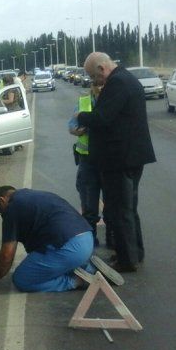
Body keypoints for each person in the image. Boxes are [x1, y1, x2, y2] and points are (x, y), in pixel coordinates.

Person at [76, 52, 156, 272]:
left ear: (102, 68)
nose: (95, 82)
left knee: (120, 211)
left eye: (94, 76)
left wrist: (82, 117)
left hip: (120, 159)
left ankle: (127, 260)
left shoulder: (117, 83)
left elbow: (103, 118)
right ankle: (133, 253)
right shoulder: (128, 79)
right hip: (131, 157)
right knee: (129, 209)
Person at [0, 186, 121, 292]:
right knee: (46, 258)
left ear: (2, 200)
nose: (2, 215)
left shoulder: (12, 208)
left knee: (21, 279)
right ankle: (89, 269)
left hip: (69, 248)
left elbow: (7, 255)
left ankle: (76, 281)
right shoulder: (36, 196)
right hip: (86, 239)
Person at [69, 84, 104, 247]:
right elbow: (71, 126)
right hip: (87, 160)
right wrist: (80, 130)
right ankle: (91, 239)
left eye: (103, 84)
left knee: (111, 203)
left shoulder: (111, 100)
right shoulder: (83, 102)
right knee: (89, 203)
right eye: (97, 85)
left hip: (106, 160)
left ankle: (113, 238)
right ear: (92, 86)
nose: (100, 88)